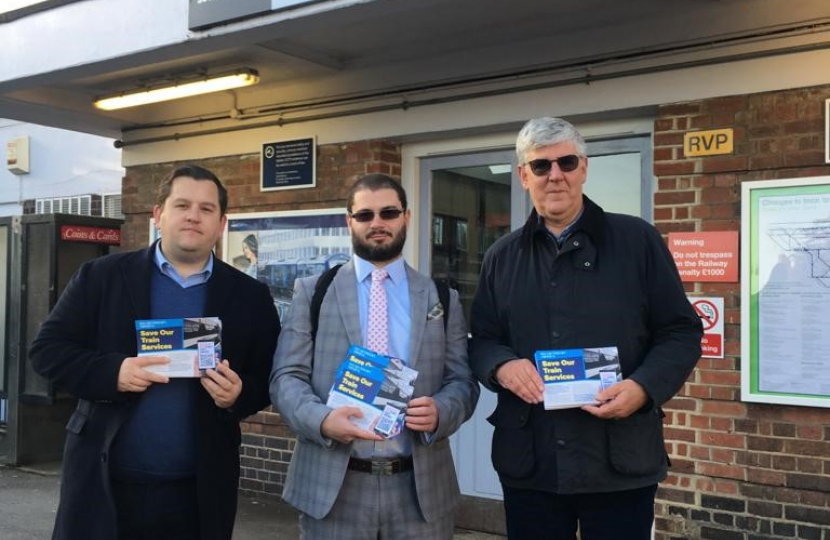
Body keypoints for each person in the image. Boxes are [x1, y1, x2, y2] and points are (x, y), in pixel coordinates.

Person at [468, 117, 702, 540]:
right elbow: (482, 338)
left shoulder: (638, 241)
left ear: (584, 168)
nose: (555, 175)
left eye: (566, 162)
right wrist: (502, 366)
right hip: (531, 461)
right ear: (524, 176)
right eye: (541, 166)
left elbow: (681, 331)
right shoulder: (501, 256)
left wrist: (644, 387)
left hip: (619, 459)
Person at [29, 165, 280, 540]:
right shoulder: (100, 276)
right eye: (182, 205)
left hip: (197, 494)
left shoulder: (250, 296)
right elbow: (46, 351)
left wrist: (239, 393)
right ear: (159, 215)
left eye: (207, 209)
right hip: (106, 484)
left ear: (222, 223)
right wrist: (113, 372)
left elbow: (269, 377)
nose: (194, 216)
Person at [271, 173, 479, 540]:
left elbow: (462, 382)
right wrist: (322, 420)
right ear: (349, 221)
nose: (377, 223)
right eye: (365, 215)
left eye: (388, 212)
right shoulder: (312, 292)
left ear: (407, 218)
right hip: (335, 487)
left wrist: (442, 411)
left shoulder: (441, 298)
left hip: (419, 491)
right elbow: (286, 377)